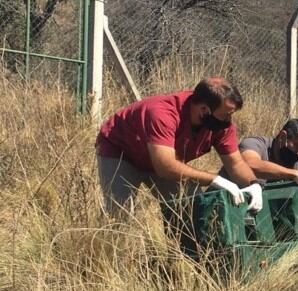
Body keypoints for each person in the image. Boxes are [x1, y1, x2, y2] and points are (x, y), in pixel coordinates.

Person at [95, 76, 263, 220]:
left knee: (193, 208)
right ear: (204, 110)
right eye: (226, 114)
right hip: (121, 152)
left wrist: (254, 184)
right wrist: (215, 180)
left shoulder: (221, 126)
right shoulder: (162, 113)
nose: (229, 120)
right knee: (120, 216)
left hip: (162, 158)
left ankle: (185, 254)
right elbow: (165, 167)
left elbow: (235, 164)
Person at [222, 118, 298, 259]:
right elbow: (249, 164)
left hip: (260, 221)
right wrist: (293, 175)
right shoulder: (255, 144)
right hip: (229, 208)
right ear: (283, 137)